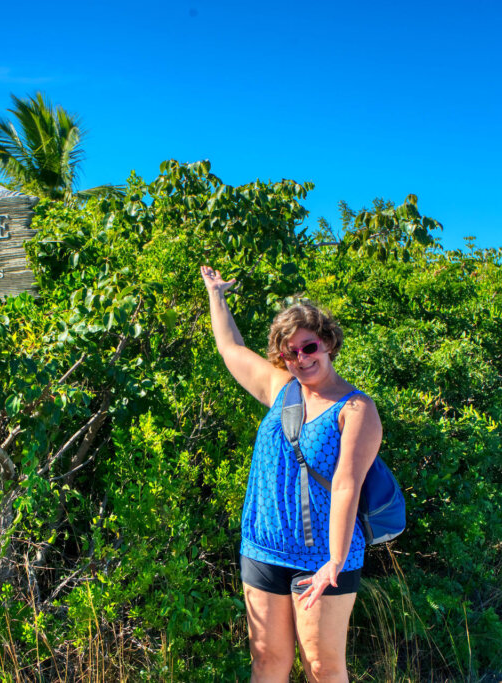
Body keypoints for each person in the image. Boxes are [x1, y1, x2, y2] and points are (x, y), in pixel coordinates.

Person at [200, 265, 383, 682]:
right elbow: (230, 348)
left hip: (323, 557)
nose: (301, 359)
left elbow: (345, 486)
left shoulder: (356, 409)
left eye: (309, 346)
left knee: (322, 667)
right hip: (264, 548)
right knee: (267, 664)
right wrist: (217, 294)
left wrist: (334, 560)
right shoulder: (280, 389)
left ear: (329, 342)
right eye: (290, 352)